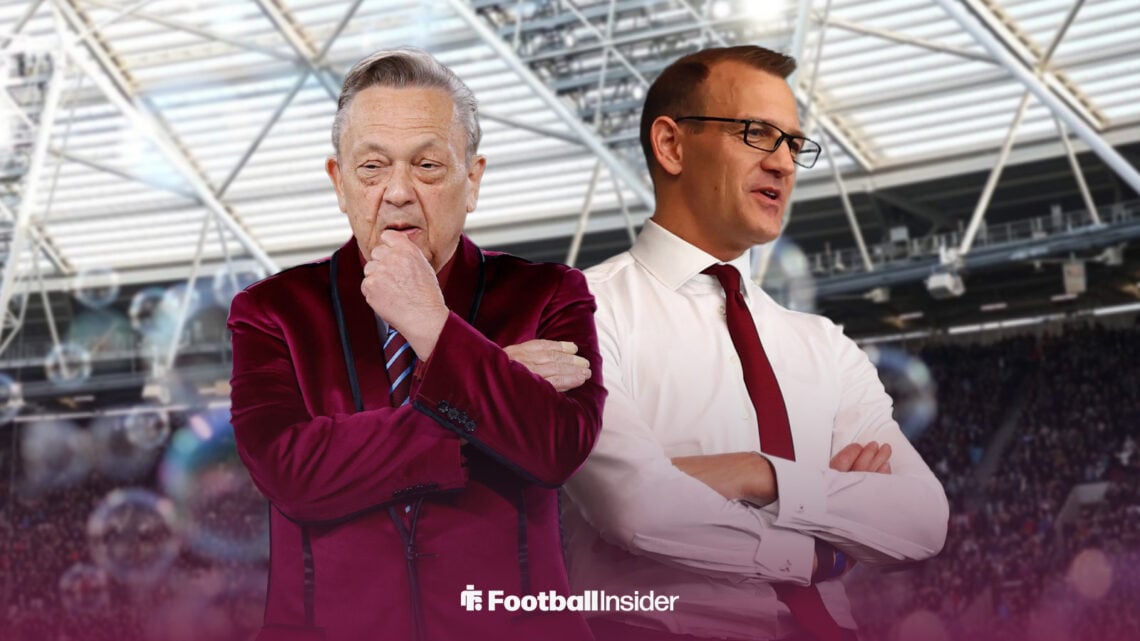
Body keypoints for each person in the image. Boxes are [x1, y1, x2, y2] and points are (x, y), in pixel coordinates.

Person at [562, 46, 949, 641]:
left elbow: (922, 519)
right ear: (671, 145)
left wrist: (754, 474)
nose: (784, 163)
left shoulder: (824, 345)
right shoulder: (579, 311)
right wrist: (821, 549)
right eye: (757, 134)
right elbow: (636, 508)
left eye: (793, 143)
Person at [228, 48, 604, 641]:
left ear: (472, 179)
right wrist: (491, 379)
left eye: (428, 166)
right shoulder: (271, 311)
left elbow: (557, 448)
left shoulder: (549, 294)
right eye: (372, 167)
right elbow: (289, 474)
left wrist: (434, 327)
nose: (399, 192)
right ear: (340, 182)